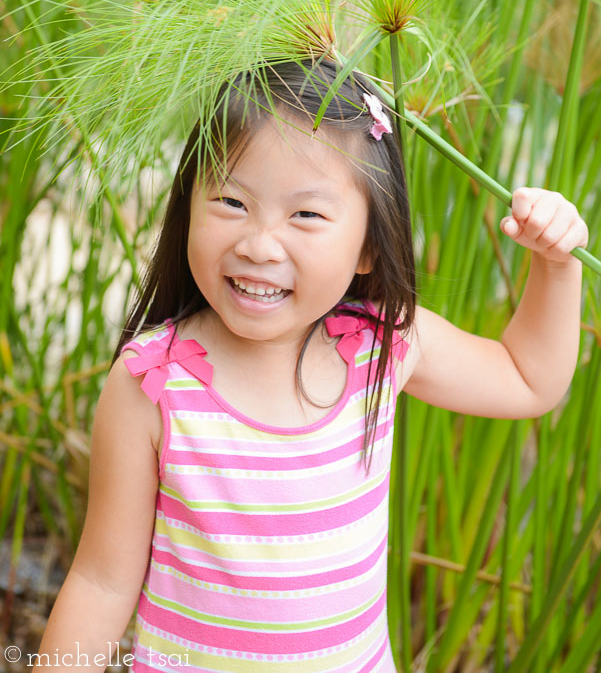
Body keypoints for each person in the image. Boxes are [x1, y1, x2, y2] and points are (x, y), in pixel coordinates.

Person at [35, 57, 588, 671]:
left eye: (306, 215)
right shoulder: (155, 383)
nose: (259, 243)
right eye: (230, 200)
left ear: (370, 247)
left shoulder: (383, 346)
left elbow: (526, 377)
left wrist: (556, 267)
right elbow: (101, 584)